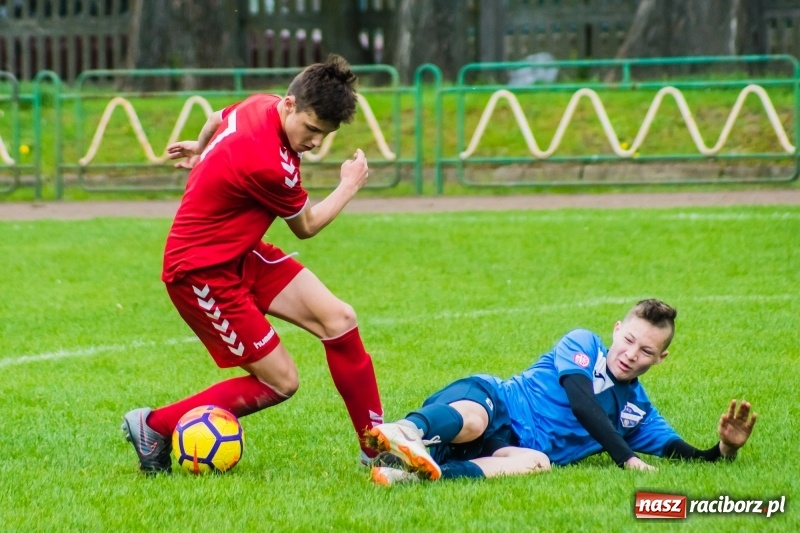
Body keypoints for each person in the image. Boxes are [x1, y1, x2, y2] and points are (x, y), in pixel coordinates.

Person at [121, 54, 384, 475]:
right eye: (312, 129)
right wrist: (348, 185)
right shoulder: (268, 162)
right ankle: (154, 426)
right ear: (290, 104)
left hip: (240, 252)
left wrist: (201, 148)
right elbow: (308, 225)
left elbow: (215, 116)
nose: (315, 142)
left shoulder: (259, 104)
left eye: (325, 135)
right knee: (282, 382)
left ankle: (377, 446)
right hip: (201, 272)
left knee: (339, 319)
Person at [366, 299, 757, 485]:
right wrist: (627, 459)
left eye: (646, 352)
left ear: (661, 359)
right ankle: (408, 432)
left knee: (537, 462)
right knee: (474, 418)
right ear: (617, 329)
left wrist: (725, 449)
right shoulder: (582, 343)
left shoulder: (637, 411)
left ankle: (418, 477)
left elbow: (685, 454)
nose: (631, 355)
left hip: (505, 447)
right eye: (630, 341)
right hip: (495, 401)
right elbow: (582, 402)